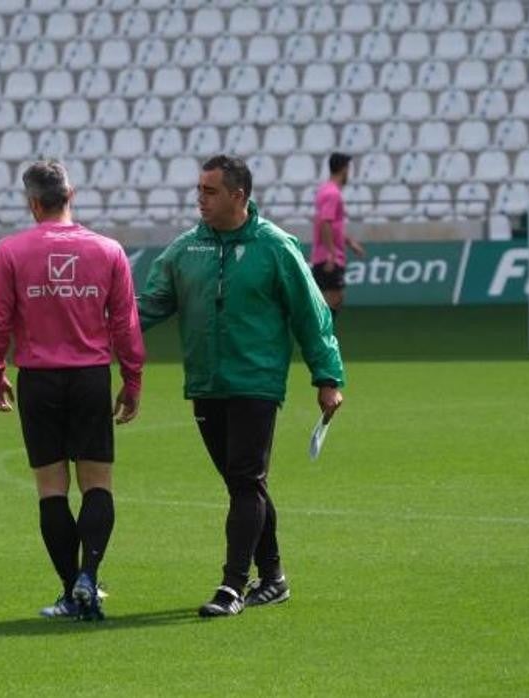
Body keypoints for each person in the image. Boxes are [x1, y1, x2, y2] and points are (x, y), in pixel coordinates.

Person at [138, 155, 346, 617]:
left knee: (246, 479)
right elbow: (148, 306)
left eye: (210, 191)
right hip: (206, 383)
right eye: (199, 190)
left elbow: (311, 315)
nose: (200, 199)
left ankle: (232, 586)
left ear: (239, 195)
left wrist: (327, 376)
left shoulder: (275, 247)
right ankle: (273, 578)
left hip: (256, 381)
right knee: (243, 483)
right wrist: (93, 331)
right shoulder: (185, 250)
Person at [0, 161, 144, 621]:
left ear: (33, 202)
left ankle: (71, 590)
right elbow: (126, 324)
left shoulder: (10, 251)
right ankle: (89, 575)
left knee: (52, 489)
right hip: (91, 377)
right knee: (98, 484)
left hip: (39, 380)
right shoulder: (108, 250)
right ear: (71, 193)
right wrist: (132, 380)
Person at [310, 152, 366, 318]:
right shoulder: (332, 194)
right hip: (329, 256)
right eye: (348, 168)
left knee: (333, 299)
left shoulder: (325, 190)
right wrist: (331, 254)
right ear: (343, 169)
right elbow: (325, 223)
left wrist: (350, 242)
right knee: (333, 299)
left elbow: (332, 224)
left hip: (325, 253)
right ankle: (322, 337)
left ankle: (322, 335)